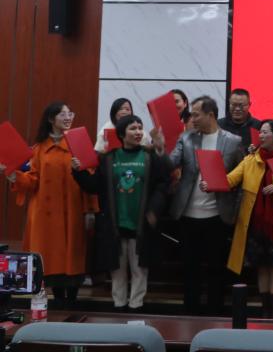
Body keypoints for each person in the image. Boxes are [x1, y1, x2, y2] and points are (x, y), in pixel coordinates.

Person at [71, 114, 172, 311]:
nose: (138, 132)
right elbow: (94, 186)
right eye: (133, 128)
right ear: (121, 134)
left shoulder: (150, 156)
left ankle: (136, 307)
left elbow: (163, 183)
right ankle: (119, 307)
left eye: (140, 128)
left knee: (139, 270)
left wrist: (154, 209)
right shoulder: (108, 158)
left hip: (141, 223)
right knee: (117, 270)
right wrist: (78, 171)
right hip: (115, 223)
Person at [154, 94, 244, 316]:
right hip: (188, 214)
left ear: (210, 115)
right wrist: (160, 149)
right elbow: (170, 165)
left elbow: (242, 177)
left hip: (218, 215)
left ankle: (215, 313)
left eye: (196, 114)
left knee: (216, 268)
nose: (191, 119)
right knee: (190, 268)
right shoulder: (187, 138)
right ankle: (190, 313)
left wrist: (236, 208)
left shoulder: (233, 141)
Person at [0, 102, 95, 308]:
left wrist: (91, 210)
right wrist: (12, 174)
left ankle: (72, 302)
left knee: (73, 256)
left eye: (70, 113)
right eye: (63, 114)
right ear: (51, 119)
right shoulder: (39, 149)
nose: (68, 117)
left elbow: (91, 178)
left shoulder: (79, 142)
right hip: (46, 214)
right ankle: (58, 302)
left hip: (72, 210)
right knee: (51, 259)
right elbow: (32, 181)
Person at [221, 119, 273, 318]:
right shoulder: (251, 160)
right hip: (255, 223)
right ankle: (265, 312)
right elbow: (230, 179)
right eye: (260, 132)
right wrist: (211, 177)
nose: (261, 135)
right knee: (262, 268)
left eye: (266, 132)